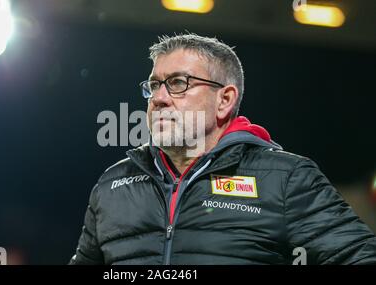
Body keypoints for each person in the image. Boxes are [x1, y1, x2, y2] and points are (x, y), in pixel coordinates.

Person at [69, 33, 376, 265]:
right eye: (154, 85)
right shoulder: (113, 184)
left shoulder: (286, 179)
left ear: (225, 100)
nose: (158, 98)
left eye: (177, 83)